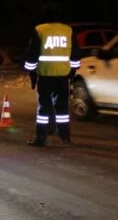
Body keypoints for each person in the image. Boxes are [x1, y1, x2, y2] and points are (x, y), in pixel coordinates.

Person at [24, 18, 81, 146]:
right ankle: (65, 136)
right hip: (63, 75)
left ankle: (41, 138)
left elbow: (33, 53)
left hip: (45, 74)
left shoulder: (40, 30)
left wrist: (31, 72)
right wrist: (73, 70)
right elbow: (75, 52)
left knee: (44, 108)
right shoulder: (68, 30)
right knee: (62, 108)